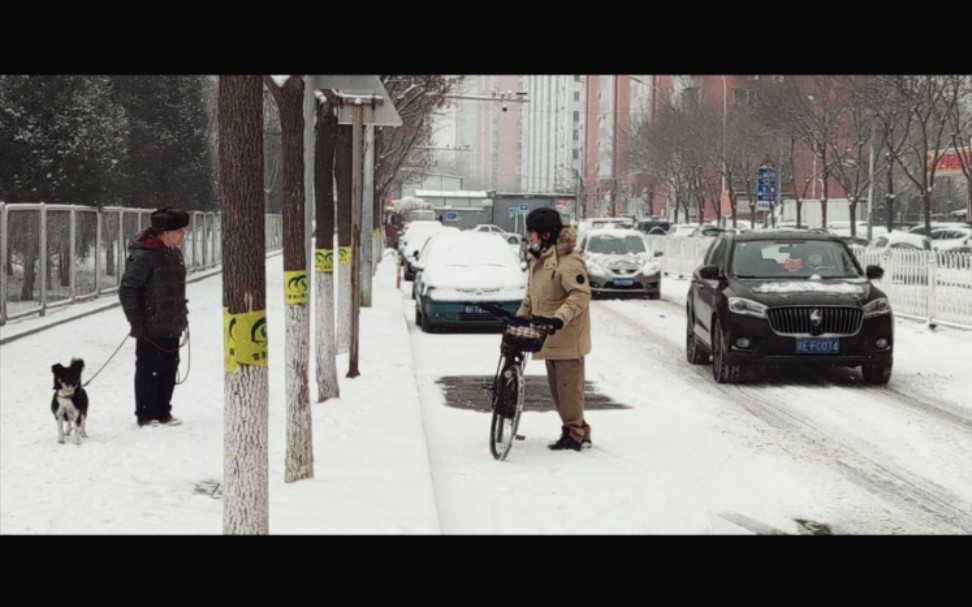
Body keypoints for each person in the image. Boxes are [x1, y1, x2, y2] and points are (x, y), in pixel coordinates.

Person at [517, 207, 593, 451]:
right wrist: (520, 318)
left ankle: (575, 433)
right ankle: (576, 429)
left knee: (569, 390)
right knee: (560, 392)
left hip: (567, 338)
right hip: (548, 336)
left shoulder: (568, 262)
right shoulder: (540, 260)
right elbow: (533, 296)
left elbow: (580, 295)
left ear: (546, 235)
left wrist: (560, 318)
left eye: (533, 233)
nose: (529, 237)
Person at [118, 207, 190, 428]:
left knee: (170, 367)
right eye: (179, 231)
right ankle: (146, 414)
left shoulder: (173, 254)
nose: (182, 236)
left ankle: (163, 411)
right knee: (150, 369)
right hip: (150, 325)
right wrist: (136, 321)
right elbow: (128, 289)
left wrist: (181, 314)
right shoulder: (143, 256)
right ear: (165, 232)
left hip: (172, 322)